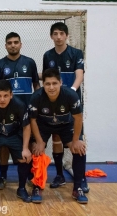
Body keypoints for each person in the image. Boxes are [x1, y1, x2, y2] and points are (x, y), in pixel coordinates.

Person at [41, 22, 88, 193]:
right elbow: (47, 77)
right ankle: (59, 175)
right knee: (56, 139)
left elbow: (79, 75)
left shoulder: (76, 53)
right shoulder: (48, 55)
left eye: (62, 33)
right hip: (54, 105)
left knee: (78, 141)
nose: (59, 36)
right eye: (55, 33)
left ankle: (81, 179)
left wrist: (72, 91)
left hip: (71, 103)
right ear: (51, 36)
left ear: (67, 35)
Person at [29, 68, 87, 204]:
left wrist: (75, 141)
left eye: (54, 83)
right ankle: (37, 186)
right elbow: (32, 120)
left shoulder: (71, 95)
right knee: (36, 150)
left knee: (80, 150)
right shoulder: (36, 96)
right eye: (47, 84)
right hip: (43, 125)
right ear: (43, 85)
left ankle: (78, 187)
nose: (51, 87)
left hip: (66, 125)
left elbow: (78, 118)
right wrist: (39, 141)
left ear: (61, 82)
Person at [0, 32, 40, 190]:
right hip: (6, 113)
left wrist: (36, 105)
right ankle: (3, 176)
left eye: (15, 42)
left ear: (21, 44)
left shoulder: (30, 62)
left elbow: (36, 86)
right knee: (5, 144)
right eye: (10, 43)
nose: (13, 45)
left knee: (30, 142)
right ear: (5, 45)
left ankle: (29, 175)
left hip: (27, 110)